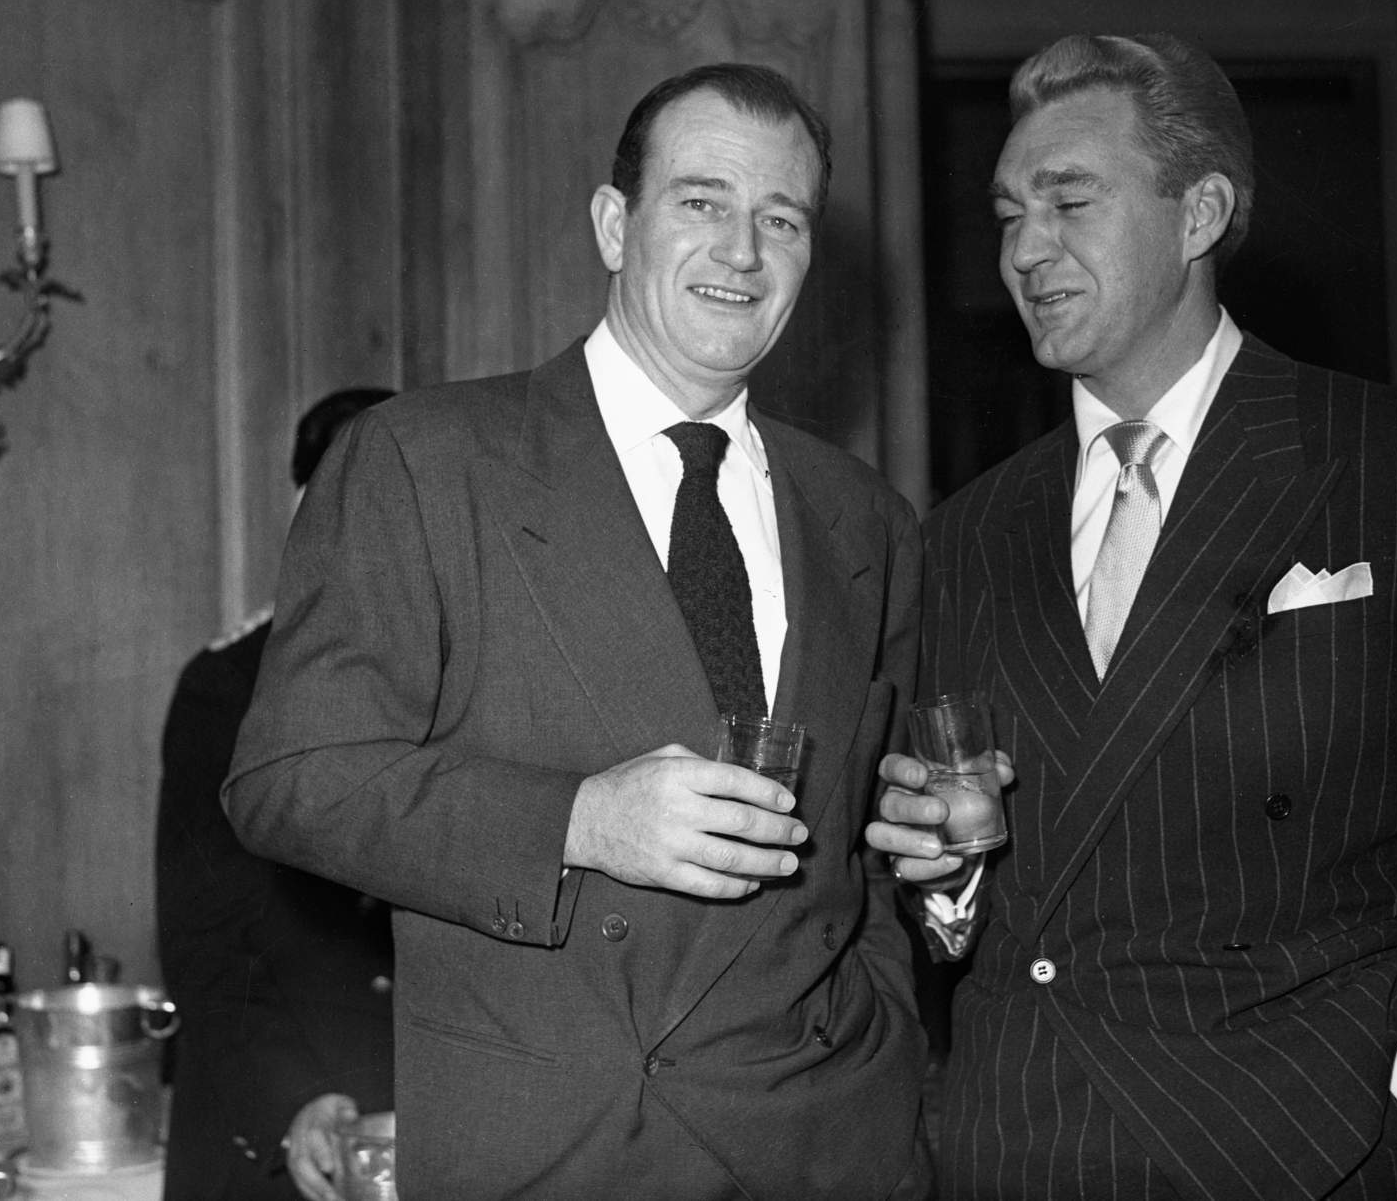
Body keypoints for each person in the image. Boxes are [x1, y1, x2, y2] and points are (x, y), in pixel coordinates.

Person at [866, 33, 1397, 1201]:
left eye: (1068, 201)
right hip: (1021, 1139)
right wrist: (940, 873)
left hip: (1296, 1142)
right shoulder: (964, 530)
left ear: (1199, 211)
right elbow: (953, 909)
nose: (1022, 249)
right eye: (1007, 214)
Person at [224, 64, 930, 1199]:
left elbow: (862, 871)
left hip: (832, 1146)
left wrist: (942, 875)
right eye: (700, 202)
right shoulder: (424, 460)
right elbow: (289, 778)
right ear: (614, 225)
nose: (741, 251)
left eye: (781, 219)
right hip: (560, 1155)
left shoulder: (867, 519)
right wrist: (581, 819)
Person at [156, 386, 397, 1201]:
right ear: (299, 511)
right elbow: (206, 939)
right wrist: (293, 1097)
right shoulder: (227, 690)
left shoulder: (468, 680)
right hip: (272, 1130)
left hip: (424, 1122)